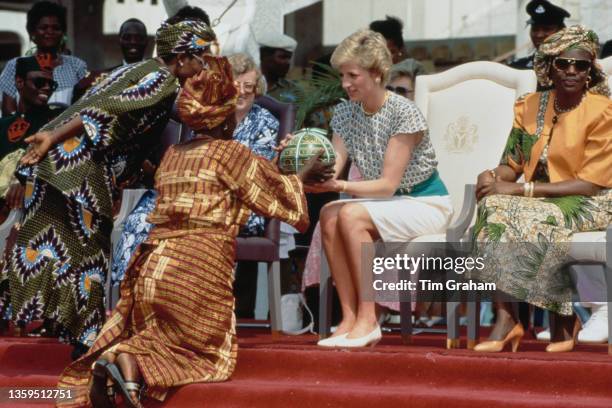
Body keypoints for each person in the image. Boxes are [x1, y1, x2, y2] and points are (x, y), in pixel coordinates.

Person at [57, 54, 330, 408]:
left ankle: (123, 358)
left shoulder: (174, 155)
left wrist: (280, 169)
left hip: (153, 268)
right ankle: (133, 362)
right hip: (197, 270)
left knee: (161, 335)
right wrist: (302, 176)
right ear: (226, 116)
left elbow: (250, 178)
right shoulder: (230, 153)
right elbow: (280, 200)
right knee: (206, 355)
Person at [0, 17, 218, 359]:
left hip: (58, 166)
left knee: (56, 248)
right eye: (200, 56)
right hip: (78, 169)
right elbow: (104, 108)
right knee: (87, 254)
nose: (202, 64)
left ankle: (73, 333)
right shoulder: (161, 81)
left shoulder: (143, 69)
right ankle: (85, 342)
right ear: (181, 55)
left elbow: (96, 107)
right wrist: (52, 136)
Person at [308, 29, 453, 348]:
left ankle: (368, 318)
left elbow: (388, 185)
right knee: (331, 213)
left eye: (352, 75)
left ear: (377, 73)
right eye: (343, 75)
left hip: (426, 204)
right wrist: (300, 157)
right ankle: (348, 319)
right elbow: (333, 165)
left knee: (351, 214)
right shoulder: (346, 111)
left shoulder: (404, 111)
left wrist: (341, 184)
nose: (345, 83)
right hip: (391, 205)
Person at [472, 25, 611, 353]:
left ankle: (561, 319)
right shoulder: (531, 106)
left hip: (592, 199)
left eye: (581, 65)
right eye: (563, 63)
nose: (572, 71)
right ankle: (508, 317)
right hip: (542, 197)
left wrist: (522, 191)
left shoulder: (603, 111)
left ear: (590, 71)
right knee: (491, 207)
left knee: (536, 218)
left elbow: (590, 182)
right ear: (549, 67)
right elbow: (512, 162)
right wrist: (491, 176)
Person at [227, 53, 280, 318]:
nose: (243, 93)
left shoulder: (266, 122)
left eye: (249, 87)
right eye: (237, 86)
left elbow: (258, 172)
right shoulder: (210, 118)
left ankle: (239, 313)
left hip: (249, 203)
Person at [0, 1, 87, 115]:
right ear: (32, 32)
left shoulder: (76, 66)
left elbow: (84, 104)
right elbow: (8, 109)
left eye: (56, 28)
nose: (50, 32)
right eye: (43, 27)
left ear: (63, 33)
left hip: (66, 130)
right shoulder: (15, 65)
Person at [509, 0, 570, 71]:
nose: (539, 35)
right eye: (535, 29)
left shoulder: (576, 67)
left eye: (547, 29)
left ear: (562, 32)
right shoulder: (517, 67)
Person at [259, 33, 298, 102]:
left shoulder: (294, 90)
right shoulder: (246, 86)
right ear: (264, 57)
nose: (287, 62)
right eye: (282, 57)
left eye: (289, 58)